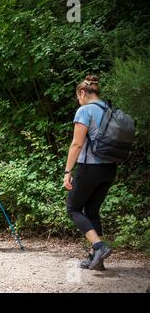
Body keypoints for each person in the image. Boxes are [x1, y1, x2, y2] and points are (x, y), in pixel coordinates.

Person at [64, 75, 116, 271]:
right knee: (92, 211)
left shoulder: (85, 110)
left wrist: (67, 171)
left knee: (73, 208)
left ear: (83, 92)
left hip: (90, 167)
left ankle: (99, 246)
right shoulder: (108, 109)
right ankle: (97, 260)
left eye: (78, 97)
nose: (78, 100)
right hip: (110, 168)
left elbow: (77, 144)